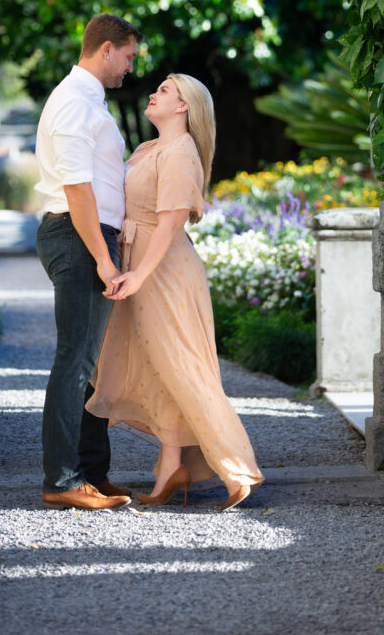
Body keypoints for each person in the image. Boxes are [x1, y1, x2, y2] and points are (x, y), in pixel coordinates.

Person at [87, 74, 264, 510]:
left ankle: (238, 469)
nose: (153, 93)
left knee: (185, 365)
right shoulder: (151, 149)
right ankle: (170, 468)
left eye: (164, 90)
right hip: (144, 264)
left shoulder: (182, 152)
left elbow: (169, 223)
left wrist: (139, 276)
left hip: (163, 271)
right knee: (161, 366)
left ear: (184, 107)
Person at [34, 13, 143, 511]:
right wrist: (103, 258)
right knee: (75, 360)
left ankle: (92, 473)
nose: (129, 68)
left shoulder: (87, 99)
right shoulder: (74, 102)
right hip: (79, 237)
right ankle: (62, 480)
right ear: (105, 49)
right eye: (127, 57)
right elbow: (77, 188)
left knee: (91, 365)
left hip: (88, 236)